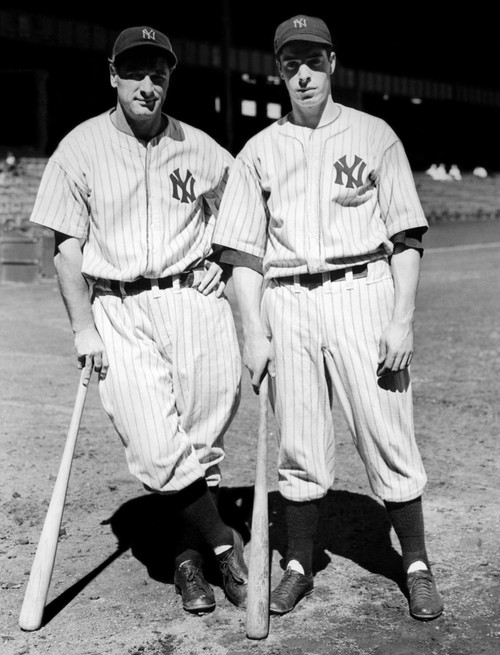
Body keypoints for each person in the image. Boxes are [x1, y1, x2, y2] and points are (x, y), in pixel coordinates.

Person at [212, 14, 444, 621]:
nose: (304, 74)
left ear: (333, 63)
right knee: (300, 442)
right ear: (279, 71)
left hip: (362, 290)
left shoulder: (375, 135)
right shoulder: (258, 151)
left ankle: (415, 562)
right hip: (287, 298)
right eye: (291, 64)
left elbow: (407, 236)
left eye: (314, 60)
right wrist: (251, 330)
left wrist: (402, 319)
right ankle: (297, 563)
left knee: (386, 427)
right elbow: (241, 252)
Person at [30, 25, 248, 615]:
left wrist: (222, 267)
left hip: (193, 302)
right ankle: (224, 542)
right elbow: (67, 249)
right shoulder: (79, 147)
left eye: (158, 73)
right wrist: (82, 327)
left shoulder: (201, 147)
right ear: (113, 75)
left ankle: (186, 564)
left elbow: (248, 216)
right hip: (118, 306)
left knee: (202, 444)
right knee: (155, 446)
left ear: (169, 78)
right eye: (135, 72)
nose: (147, 85)